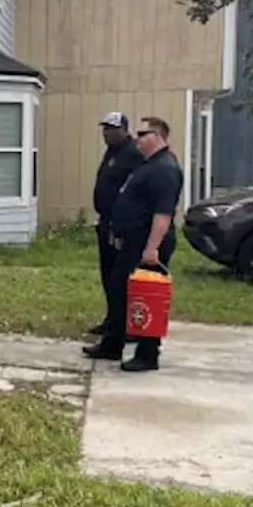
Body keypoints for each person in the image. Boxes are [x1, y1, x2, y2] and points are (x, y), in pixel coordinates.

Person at [85, 116, 184, 372]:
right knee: (119, 291)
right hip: (130, 240)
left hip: (146, 244)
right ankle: (112, 345)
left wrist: (152, 249)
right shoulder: (148, 164)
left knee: (146, 297)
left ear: (158, 137)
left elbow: (162, 214)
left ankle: (148, 354)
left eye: (143, 133)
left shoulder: (165, 168)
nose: (137, 138)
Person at [88, 112, 144, 336]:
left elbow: (132, 192)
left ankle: (127, 325)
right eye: (105, 129)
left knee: (121, 278)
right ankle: (112, 319)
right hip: (105, 221)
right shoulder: (112, 152)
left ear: (124, 130)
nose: (107, 133)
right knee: (108, 274)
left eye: (112, 129)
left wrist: (120, 224)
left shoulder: (132, 153)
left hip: (120, 225)